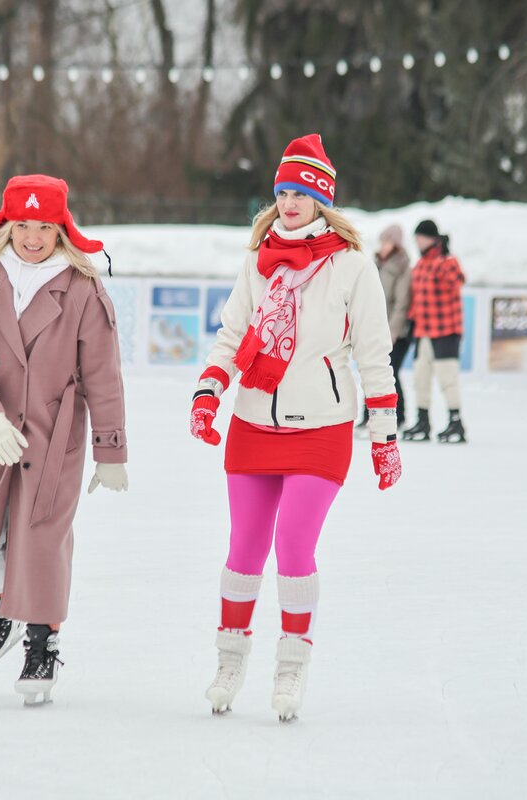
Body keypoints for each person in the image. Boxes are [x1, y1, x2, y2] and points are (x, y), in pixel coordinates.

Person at [189, 134, 401, 722]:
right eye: (282, 192)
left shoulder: (352, 266)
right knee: (243, 548)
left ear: (321, 200)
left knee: (294, 544)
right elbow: (232, 335)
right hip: (253, 421)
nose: (288, 203)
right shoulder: (258, 261)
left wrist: (384, 434)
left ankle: (291, 664)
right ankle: (230, 659)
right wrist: (209, 391)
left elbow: (374, 353)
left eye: (300, 194)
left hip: (322, 428)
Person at [0, 174, 128, 706]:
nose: (32, 237)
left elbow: (103, 374)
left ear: (60, 230)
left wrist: (110, 450)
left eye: (44, 227)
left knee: (42, 537)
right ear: (7, 227)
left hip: (51, 436)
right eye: (23, 225)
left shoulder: (83, 288)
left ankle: (42, 643)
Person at [403, 222, 467, 443]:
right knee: (420, 377)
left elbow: (458, 281)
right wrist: (411, 321)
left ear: (430, 238)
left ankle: (456, 421)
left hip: (445, 330)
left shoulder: (446, 261)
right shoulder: (421, 264)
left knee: (447, 378)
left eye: (419, 238)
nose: (417, 242)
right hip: (423, 330)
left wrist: (446, 256)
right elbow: (418, 297)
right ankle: (423, 421)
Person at [356, 224, 412, 429]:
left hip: (395, 332)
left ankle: (399, 415)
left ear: (396, 244)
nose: (383, 245)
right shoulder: (375, 264)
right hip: (375, 328)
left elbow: (401, 303)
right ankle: (368, 414)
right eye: (382, 241)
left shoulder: (403, 267)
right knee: (370, 371)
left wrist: (392, 332)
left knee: (390, 373)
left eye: (388, 241)